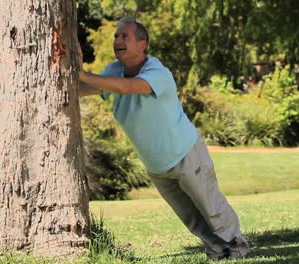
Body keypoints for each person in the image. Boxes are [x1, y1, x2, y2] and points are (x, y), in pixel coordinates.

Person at [78, 18, 249, 259]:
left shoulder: (157, 72)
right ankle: (219, 250)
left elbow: (128, 87)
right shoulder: (114, 72)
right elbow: (87, 89)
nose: (117, 40)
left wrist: (83, 74)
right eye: (116, 36)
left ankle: (237, 246)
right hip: (157, 166)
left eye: (124, 36)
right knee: (191, 218)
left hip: (186, 154)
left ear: (142, 44)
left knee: (211, 207)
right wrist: (68, 74)